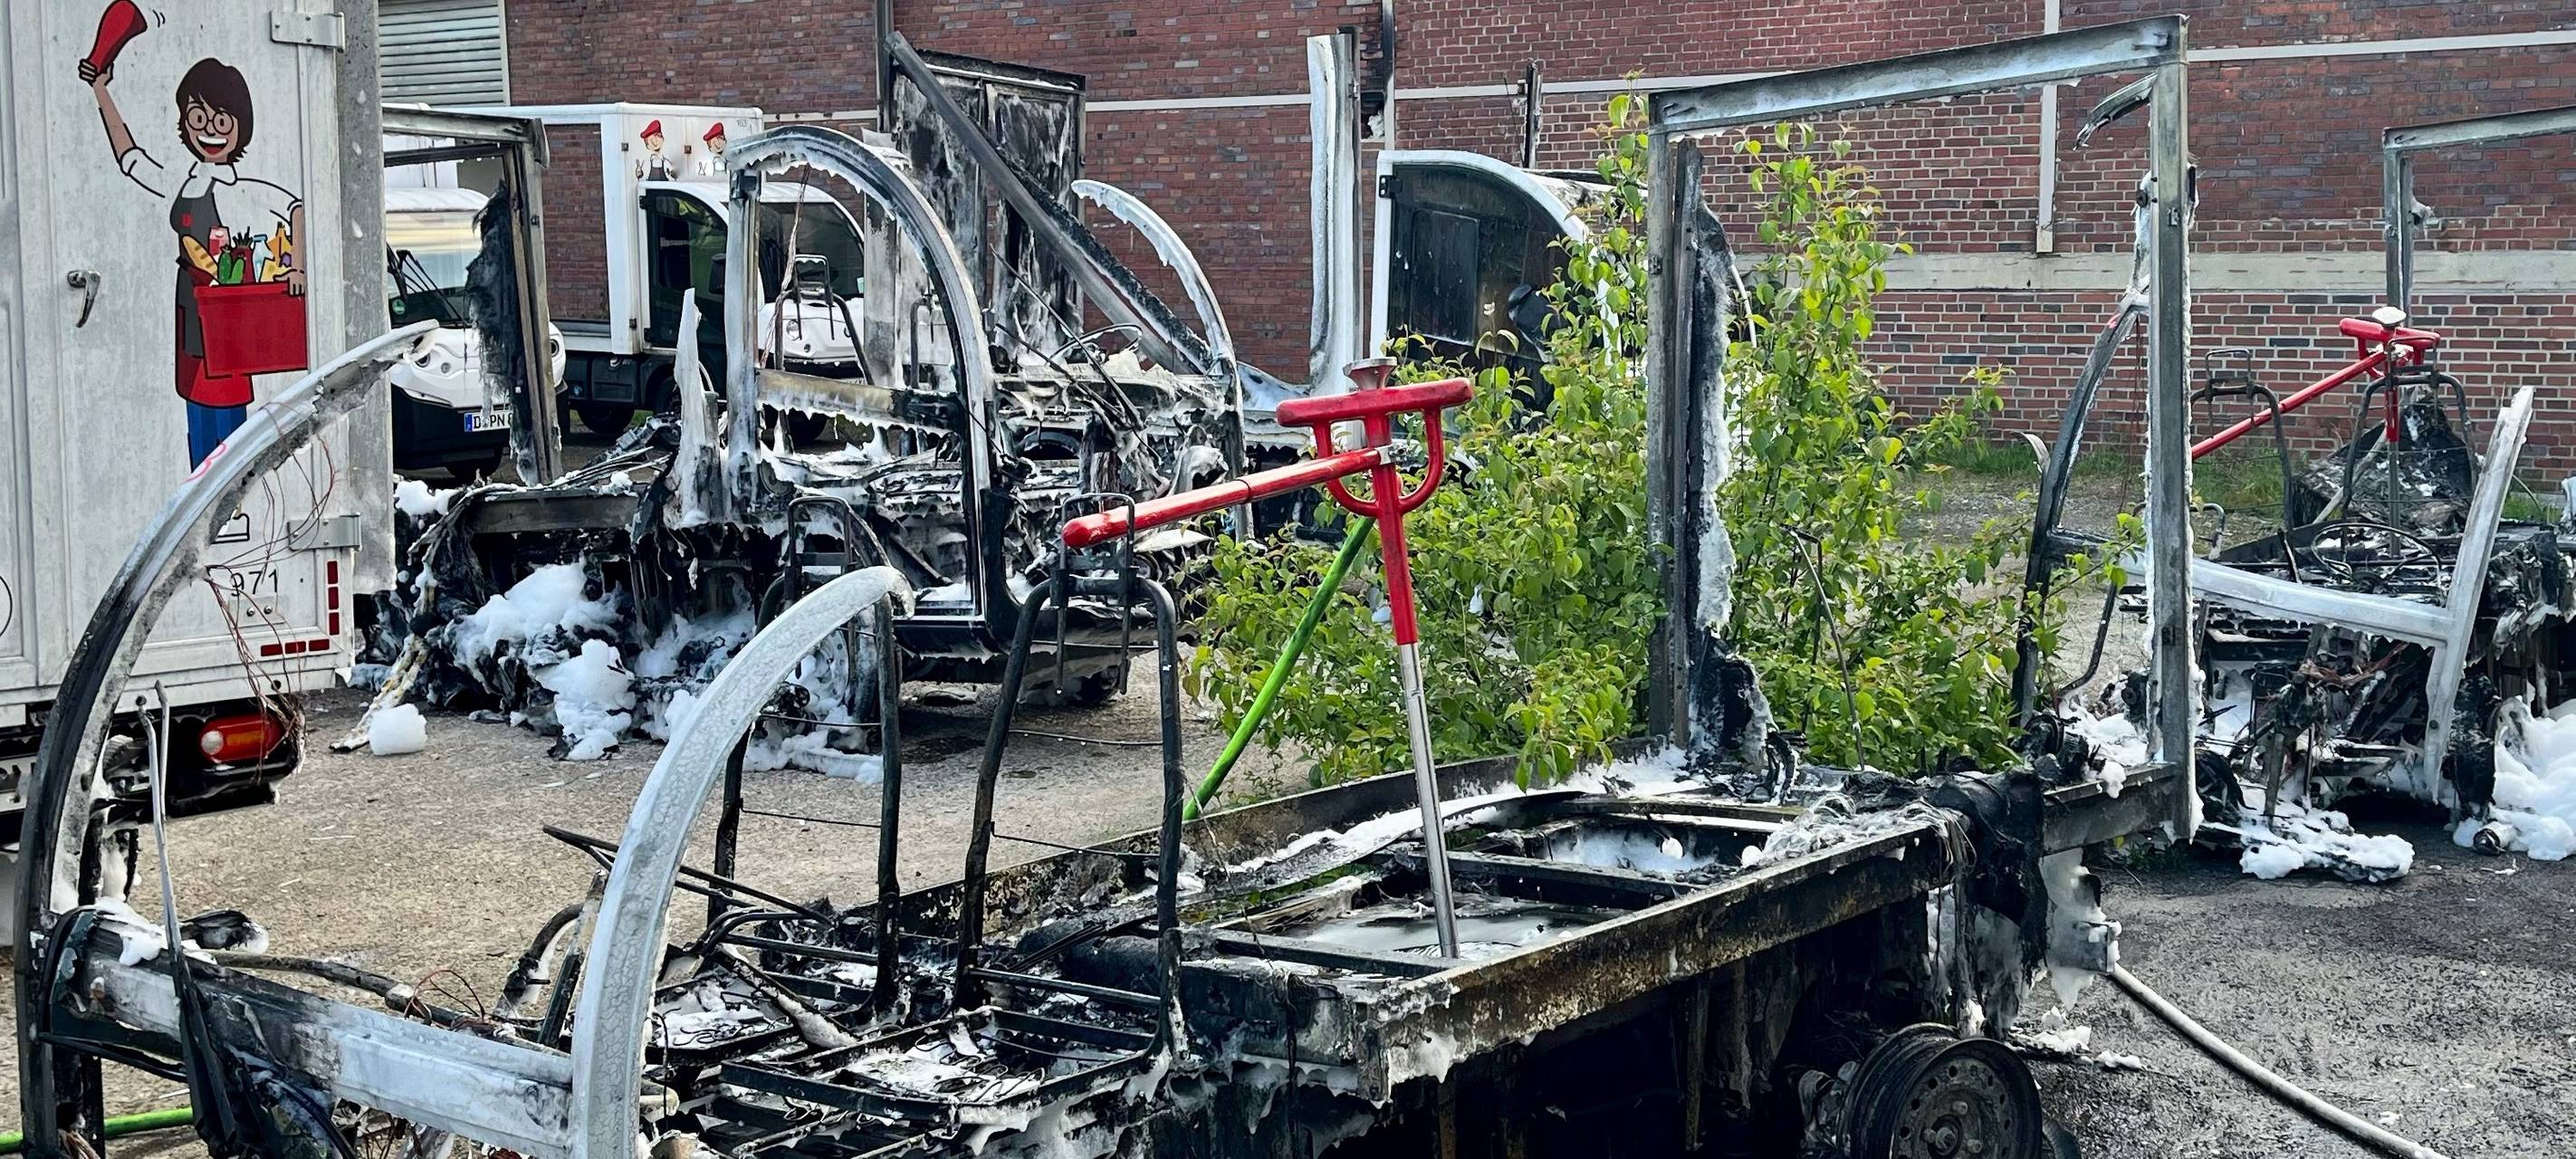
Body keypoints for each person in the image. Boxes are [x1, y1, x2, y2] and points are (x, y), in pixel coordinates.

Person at [81, 53, 304, 467]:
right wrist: (101, 90)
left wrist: (298, 267)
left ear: (240, 128)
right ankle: (197, 497)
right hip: (190, 309)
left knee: (229, 416)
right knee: (195, 408)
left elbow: (294, 207)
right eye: (198, 119)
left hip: (228, 316)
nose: (209, 132)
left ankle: (231, 500)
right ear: (185, 123)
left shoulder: (241, 188)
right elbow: (130, 158)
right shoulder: (184, 181)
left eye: (222, 122)